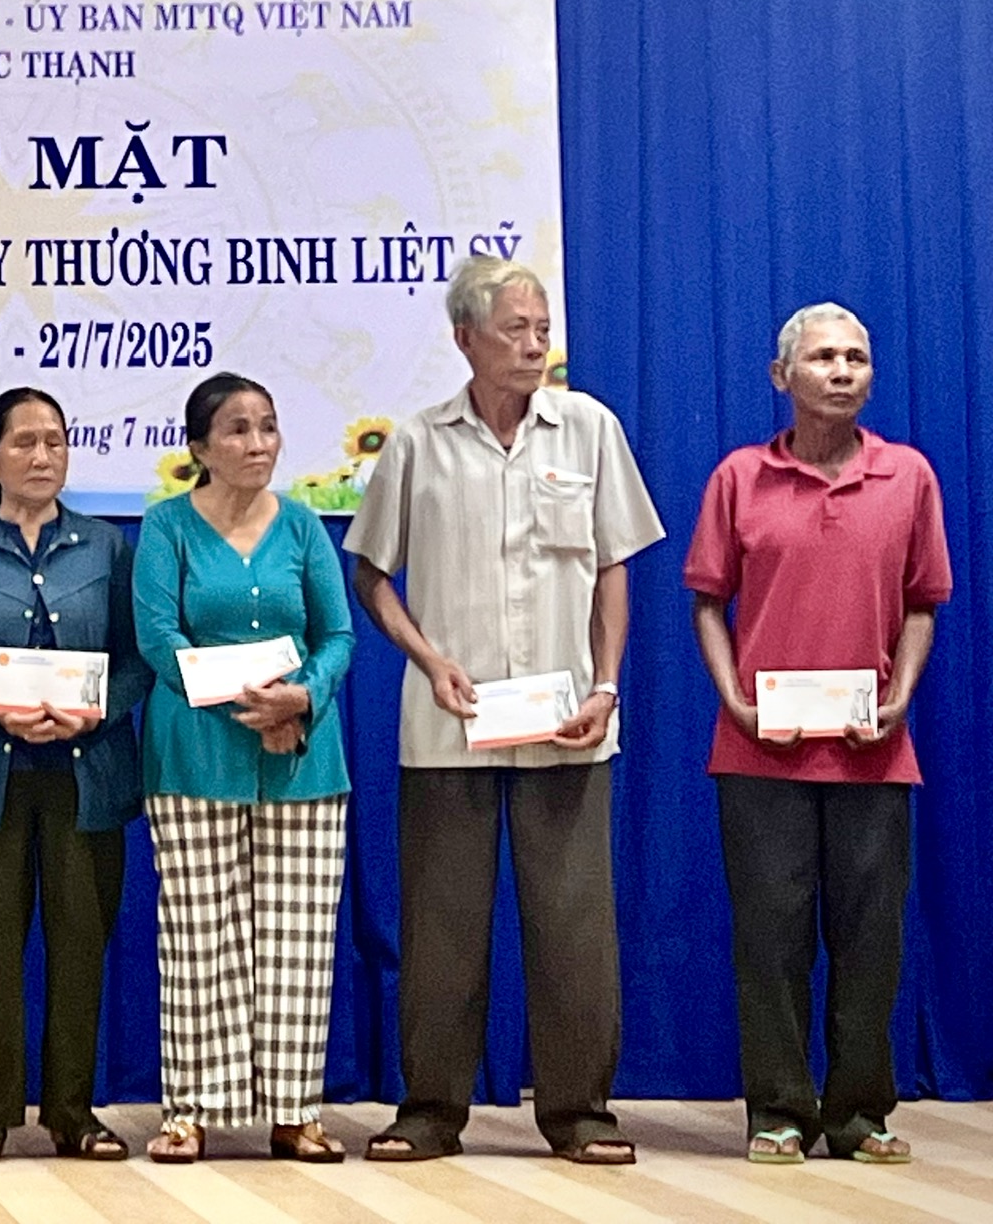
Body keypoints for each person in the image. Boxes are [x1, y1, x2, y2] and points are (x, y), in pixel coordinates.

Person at [346, 254, 663, 1166]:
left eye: (542, 329)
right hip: (451, 727)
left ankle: (580, 1112)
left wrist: (606, 686)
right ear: (465, 339)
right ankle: (430, 1110)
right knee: (442, 928)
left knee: (573, 927)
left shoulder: (589, 428)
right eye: (515, 330)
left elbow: (612, 567)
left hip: (568, 725)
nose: (535, 345)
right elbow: (371, 573)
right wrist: (427, 659)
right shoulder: (418, 442)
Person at [686, 303, 949, 1167]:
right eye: (824, 357)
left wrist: (901, 697)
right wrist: (735, 699)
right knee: (770, 940)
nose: (842, 371)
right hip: (760, 751)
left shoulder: (909, 476)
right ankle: (778, 1111)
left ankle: (859, 1114)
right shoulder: (739, 477)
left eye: (857, 358)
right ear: (781, 376)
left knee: (872, 942)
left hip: (874, 752)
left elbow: (923, 603)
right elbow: (707, 602)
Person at [0, 386, 144, 1163]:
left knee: (80, 946)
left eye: (55, 441)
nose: (42, 456)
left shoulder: (107, 548)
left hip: (86, 777)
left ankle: (74, 1113)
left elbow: (138, 661)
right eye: (24, 442)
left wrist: (94, 711)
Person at [132, 374, 355, 1165]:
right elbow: (157, 637)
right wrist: (250, 701)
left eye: (268, 427)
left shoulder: (302, 525)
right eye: (237, 429)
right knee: (198, 937)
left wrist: (302, 697)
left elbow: (337, 636)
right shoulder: (166, 527)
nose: (258, 444)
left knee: (299, 939)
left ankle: (295, 1111)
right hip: (194, 754)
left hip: (302, 758)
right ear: (200, 447)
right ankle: (191, 1109)